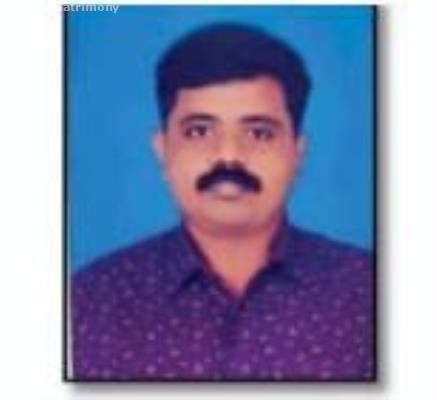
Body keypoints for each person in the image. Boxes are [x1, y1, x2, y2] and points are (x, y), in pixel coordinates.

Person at [71, 22, 374, 381]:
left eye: (259, 133)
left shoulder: (369, 292)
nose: (229, 155)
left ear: (297, 152)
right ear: (162, 149)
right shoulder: (85, 305)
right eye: (199, 131)